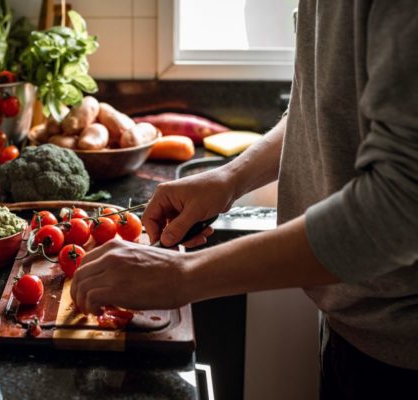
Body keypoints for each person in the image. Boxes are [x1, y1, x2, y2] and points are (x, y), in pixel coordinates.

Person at [71, 1, 418, 398]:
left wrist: (183, 276)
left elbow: (400, 206)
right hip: (356, 327)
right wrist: (229, 178)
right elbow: (320, 106)